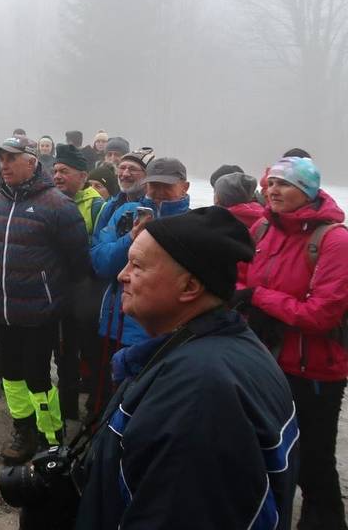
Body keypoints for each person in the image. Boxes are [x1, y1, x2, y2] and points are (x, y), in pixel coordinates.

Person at [72, 207, 298, 529]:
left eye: (137, 265)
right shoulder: (221, 347)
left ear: (190, 287)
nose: (122, 275)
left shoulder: (198, 396)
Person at [240, 157, 348, 529]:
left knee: (313, 464)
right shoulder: (261, 229)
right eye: (271, 183)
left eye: (284, 184)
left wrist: (258, 298)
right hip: (264, 361)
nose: (273, 190)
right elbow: (237, 278)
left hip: (312, 371)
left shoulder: (334, 241)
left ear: (308, 191)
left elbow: (321, 314)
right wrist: (248, 296)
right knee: (264, 453)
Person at [0, 136, 89, 464]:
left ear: (32, 162)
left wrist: (52, 295)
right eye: (2, 159)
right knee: (10, 374)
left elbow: (78, 262)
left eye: (12, 158)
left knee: (38, 378)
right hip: (3, 306)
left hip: (39, 312)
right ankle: (23, 430)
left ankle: (51, 438)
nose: (4, 165)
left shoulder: (58, 205)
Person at [90, 153, 191, 420]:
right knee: (102, 403)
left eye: (166, 186)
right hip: (113, 325)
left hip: (158, 331)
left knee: (143, 406)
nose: (157, 192)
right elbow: (100, 263)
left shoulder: (192, 225)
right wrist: (131, 238)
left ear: (185, 187)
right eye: (153, 185)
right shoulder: (126, 213)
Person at [52, 143, 107, 424]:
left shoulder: (98, 206)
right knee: (63, 354)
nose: (57, 176)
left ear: (83, 176)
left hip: (88, 295)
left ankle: (95, 410)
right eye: (55, 170)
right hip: (58, 291)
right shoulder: (50, 201)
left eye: (65, 171)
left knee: (91, 352)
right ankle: (67, 408)